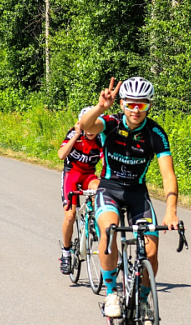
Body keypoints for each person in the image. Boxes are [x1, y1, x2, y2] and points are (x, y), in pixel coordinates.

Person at [79, 77, 179, 319]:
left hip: (137, 193)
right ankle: (112, 292)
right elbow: (85, 126)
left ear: (149, 106)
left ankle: (144, 300)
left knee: (152, 251)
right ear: (122, 103)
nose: (136, 110)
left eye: (142, 105)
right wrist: (101, 107)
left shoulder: (155, 133)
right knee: (109, 229)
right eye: (131, 104)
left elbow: (168, 174)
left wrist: (171, 210)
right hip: (109, 190)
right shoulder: (110, 122)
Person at [56, 106, 103, 275]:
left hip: (89, 176)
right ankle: (66, 252)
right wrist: (76, 135)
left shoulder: (101, 140)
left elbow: (107, 164)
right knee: (69, 215)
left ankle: (93, 220)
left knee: (100, 189)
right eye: (86, 127)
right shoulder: (74, 134)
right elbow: (61, 155)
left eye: (93, 127)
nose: (90, 131)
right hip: (72, 175)